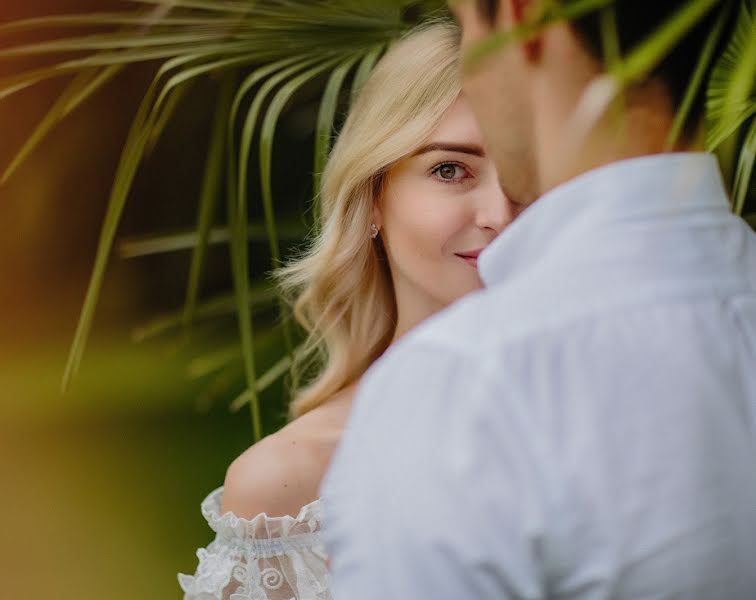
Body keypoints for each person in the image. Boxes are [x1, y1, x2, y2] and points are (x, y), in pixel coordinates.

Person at [321, 0, 756, 598]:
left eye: (469, 24)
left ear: (519, 17)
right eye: (450, 170)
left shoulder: (467, 387)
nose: (497, 213)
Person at [178, 20, 516, 599]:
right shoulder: (289, 490)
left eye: (525, 173)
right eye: (450, 170)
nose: (501, 214)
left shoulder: (639, 415)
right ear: (374, 196)